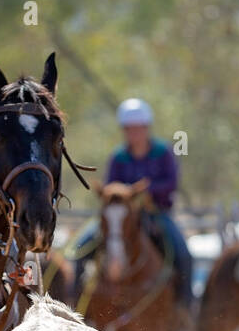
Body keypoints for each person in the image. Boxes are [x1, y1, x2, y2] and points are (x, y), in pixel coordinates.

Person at [68, 98, 194, 313]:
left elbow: (171, 183)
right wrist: (125, 193)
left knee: (183, 253)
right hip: (119, 215)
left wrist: (145, 192)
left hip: (156, 213)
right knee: (80, 248)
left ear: (146, 128)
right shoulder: (118, 156)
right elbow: (110, 187)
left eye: (138, 128)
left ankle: (184, 309)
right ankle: (76, 305)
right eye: (129, 129)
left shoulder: (163, 152)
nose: (134, 133)